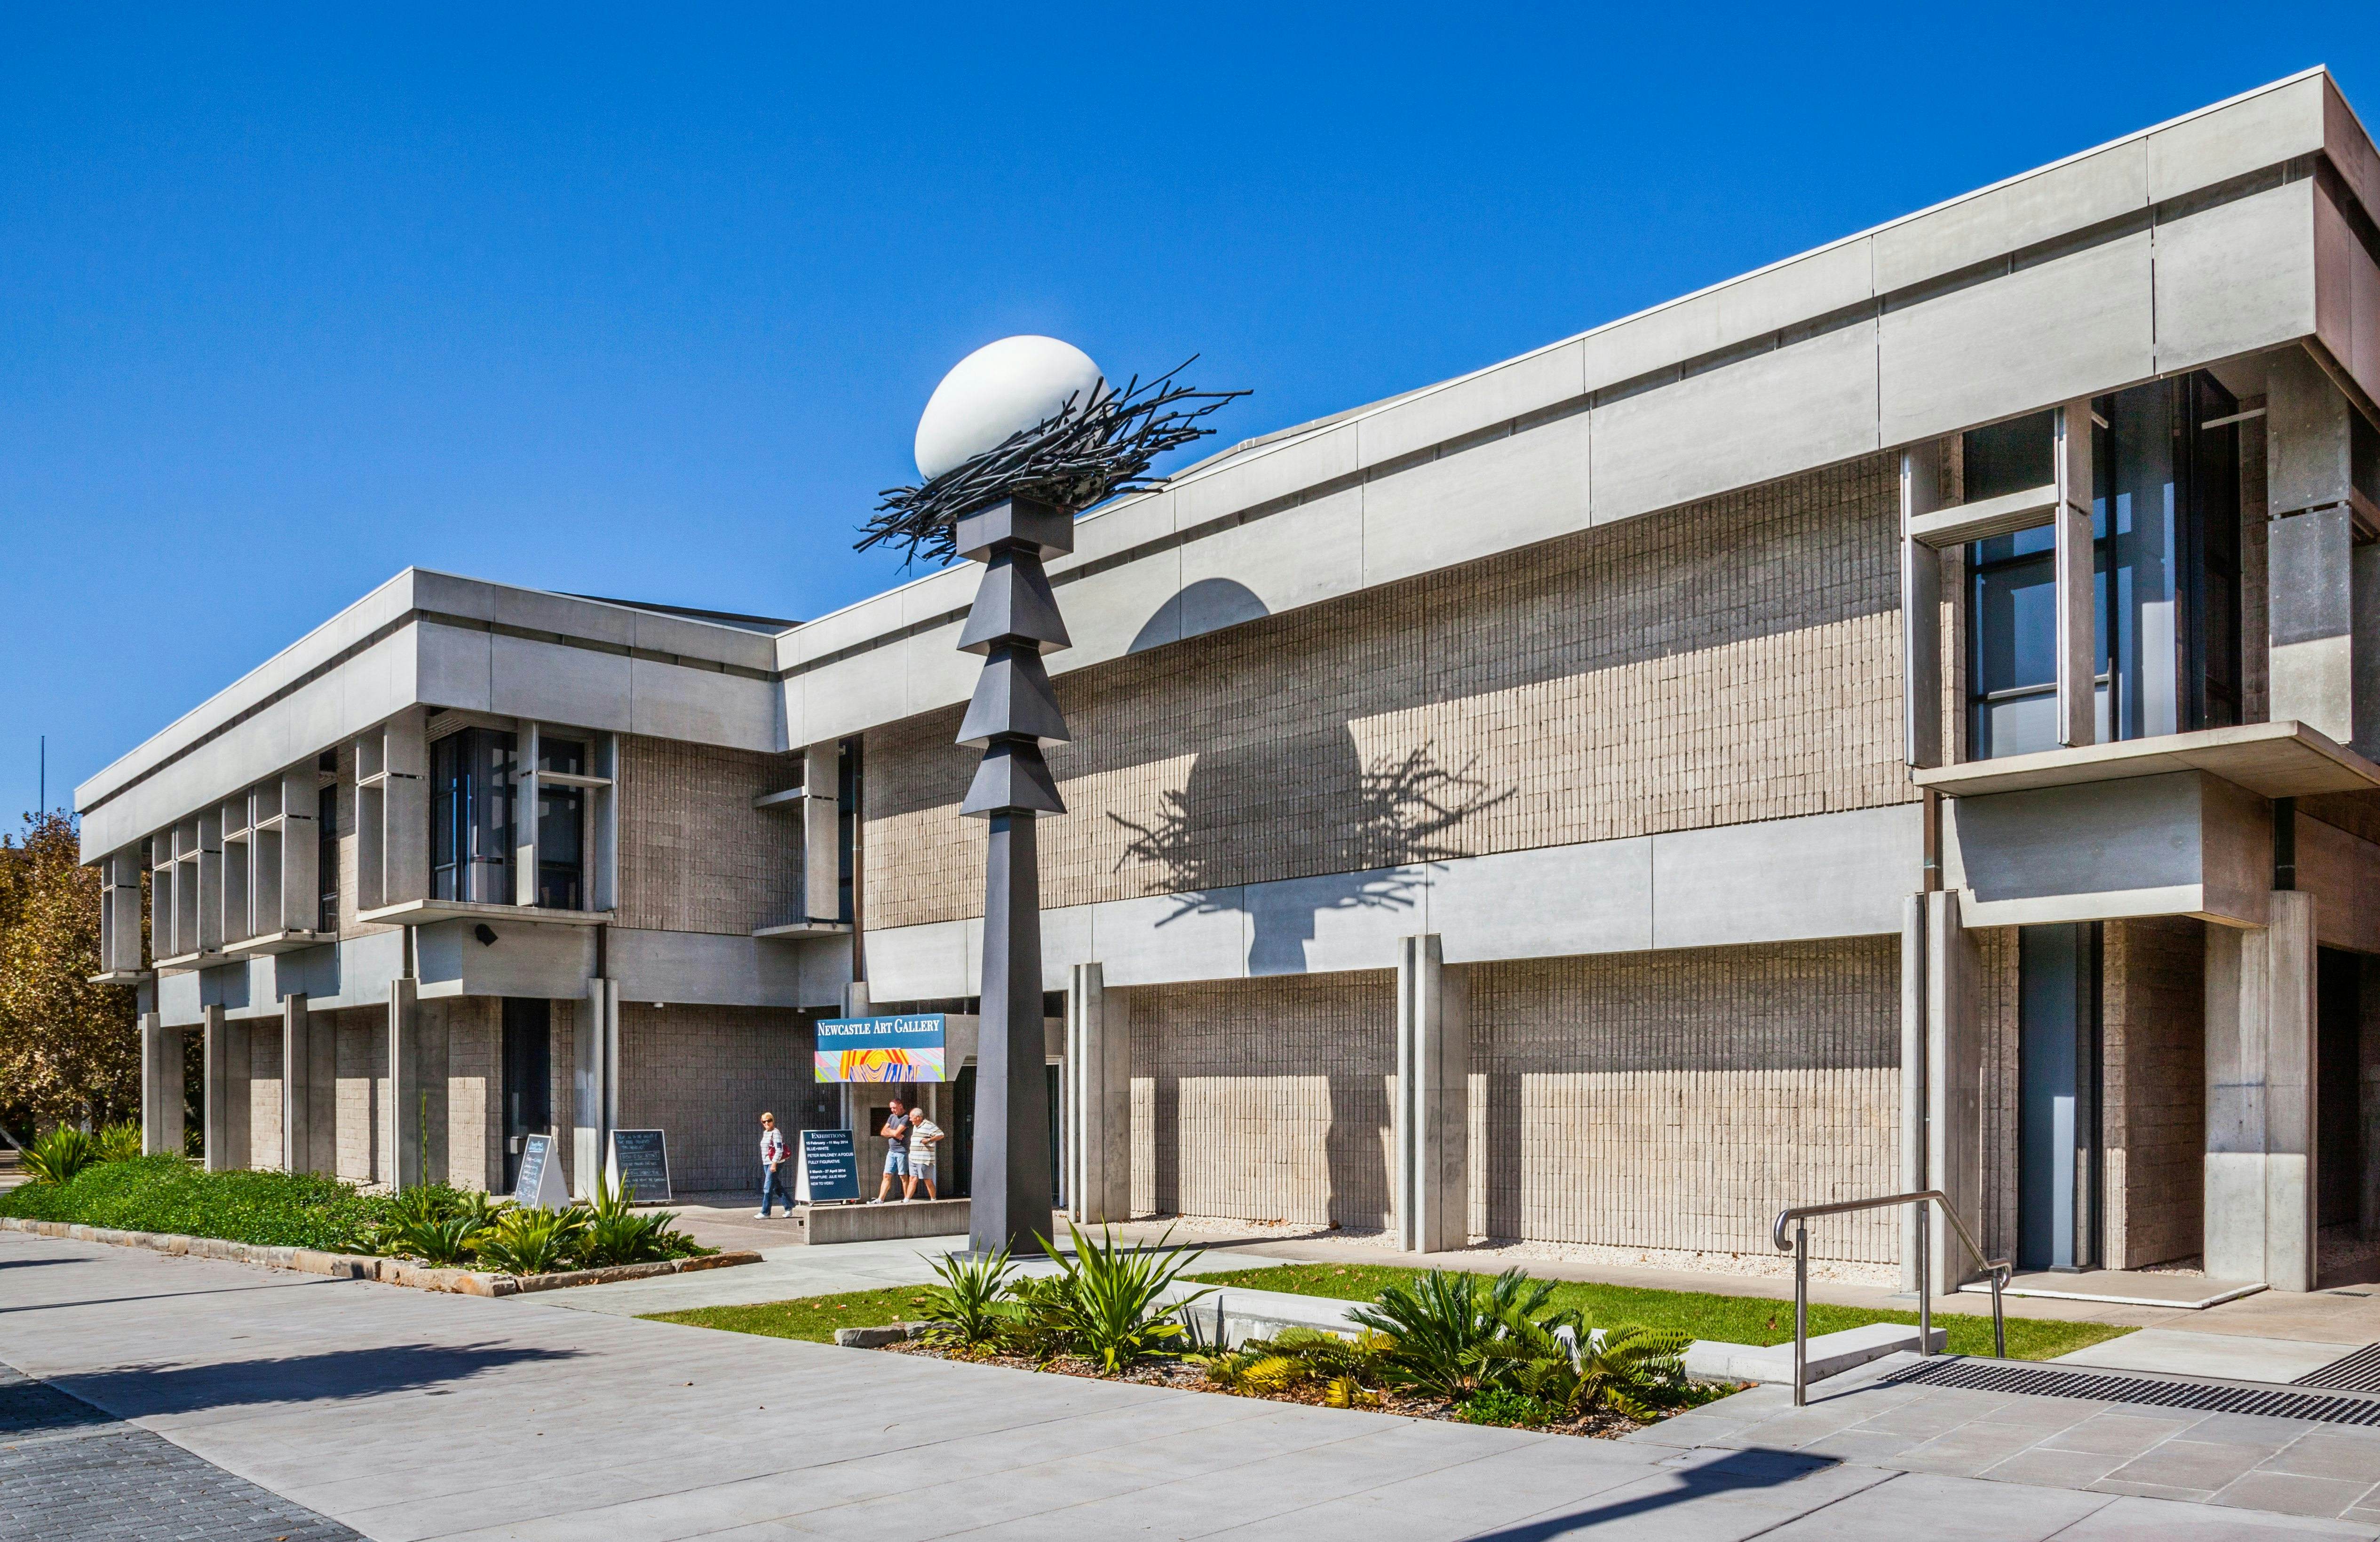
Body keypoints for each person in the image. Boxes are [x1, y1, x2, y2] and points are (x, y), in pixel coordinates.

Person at [872, 1097, 914, 1202]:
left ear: (901, 1106)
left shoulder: (906, 1118)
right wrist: (894, 1133)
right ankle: (880, 1199)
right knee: (886, 1175)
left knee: (903, 1176)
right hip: (891, 1151)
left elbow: (895, 1133)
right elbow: (883, 1132)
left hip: (902, 1151)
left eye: (894, 1108)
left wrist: (891, 1132)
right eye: (891, 1108)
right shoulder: (892, 1117)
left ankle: (907, 1199)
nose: (893, 1110)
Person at [755, 1112, 792, 1218]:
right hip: (766, 1163)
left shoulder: (776, 1133)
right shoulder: (765, 1133)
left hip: (774, 1163)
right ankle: (789, 1207)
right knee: (776, 1186)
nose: (767, 1123)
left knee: (767, 1188)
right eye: (764, 1121)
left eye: (769, 1121)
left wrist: (774, 1165)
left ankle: (765, 1212)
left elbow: (779, 1150)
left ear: (773, 1121)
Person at [904, 1108, 944, 1201]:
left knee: (927, 1180)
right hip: (913, 1158)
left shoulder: (928, 1125)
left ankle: (933, 1199)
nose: (910, 1120)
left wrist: (929, 1140)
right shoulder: (915, 1126)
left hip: (924, 1159)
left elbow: (941, 1135)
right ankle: (907, 1200)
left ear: (918, 1118)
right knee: (913, 1178)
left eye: (911, 1118)